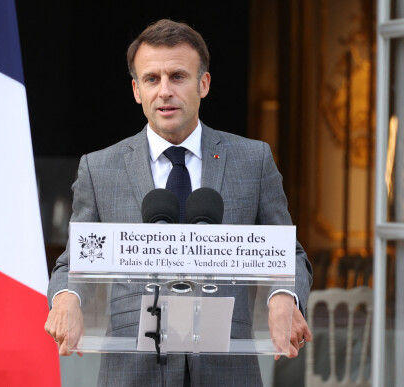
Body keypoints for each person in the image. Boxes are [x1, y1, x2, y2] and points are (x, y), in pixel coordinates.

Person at [45, 18, 313, 386]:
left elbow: (289, 254)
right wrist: (66, 299)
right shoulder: (99, 168)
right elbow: (74, 263)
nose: (165, 91)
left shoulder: (253, 160)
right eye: (152, 79)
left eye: (178, 77)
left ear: (203, 83)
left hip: (227, 368)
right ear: (136, 90)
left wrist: (284, 295)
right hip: (132, 370)